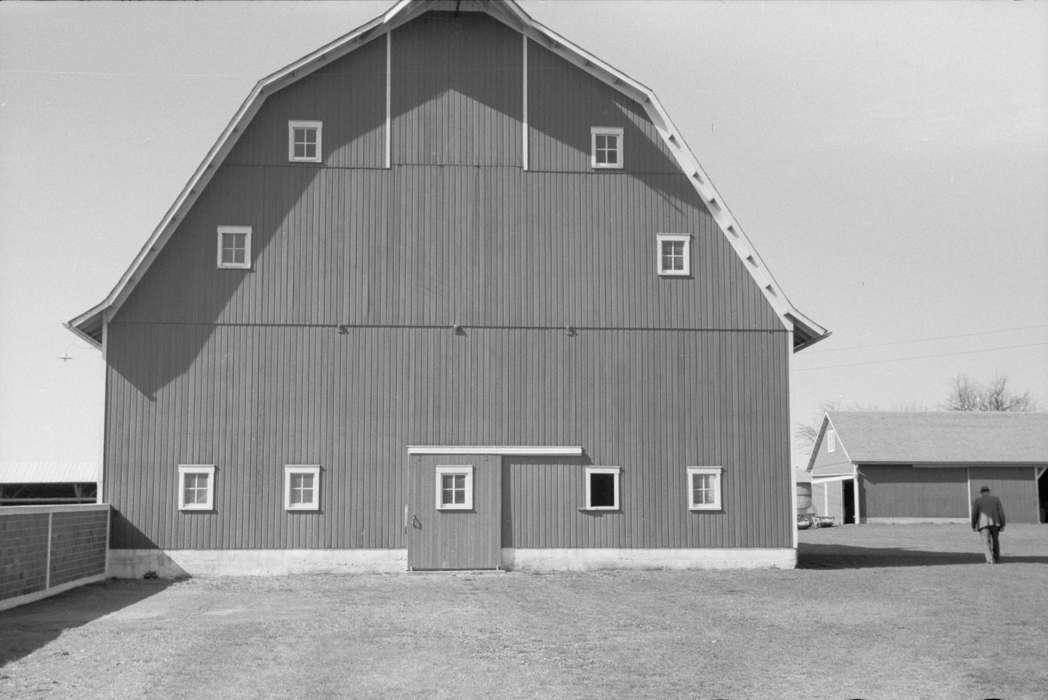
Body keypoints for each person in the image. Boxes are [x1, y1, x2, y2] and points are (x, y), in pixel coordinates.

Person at [971, 486, 1006, 564]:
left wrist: (973, 525)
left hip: (983, 524)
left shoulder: (978, 500)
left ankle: (990, 559)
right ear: (989, 492)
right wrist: (1003, 524)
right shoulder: (996, 499)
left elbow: (974, 514)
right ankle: (996, 558)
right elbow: (1001, 512)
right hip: (995, 523)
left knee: (986, 542)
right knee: (995, 541)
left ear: (981, 492)